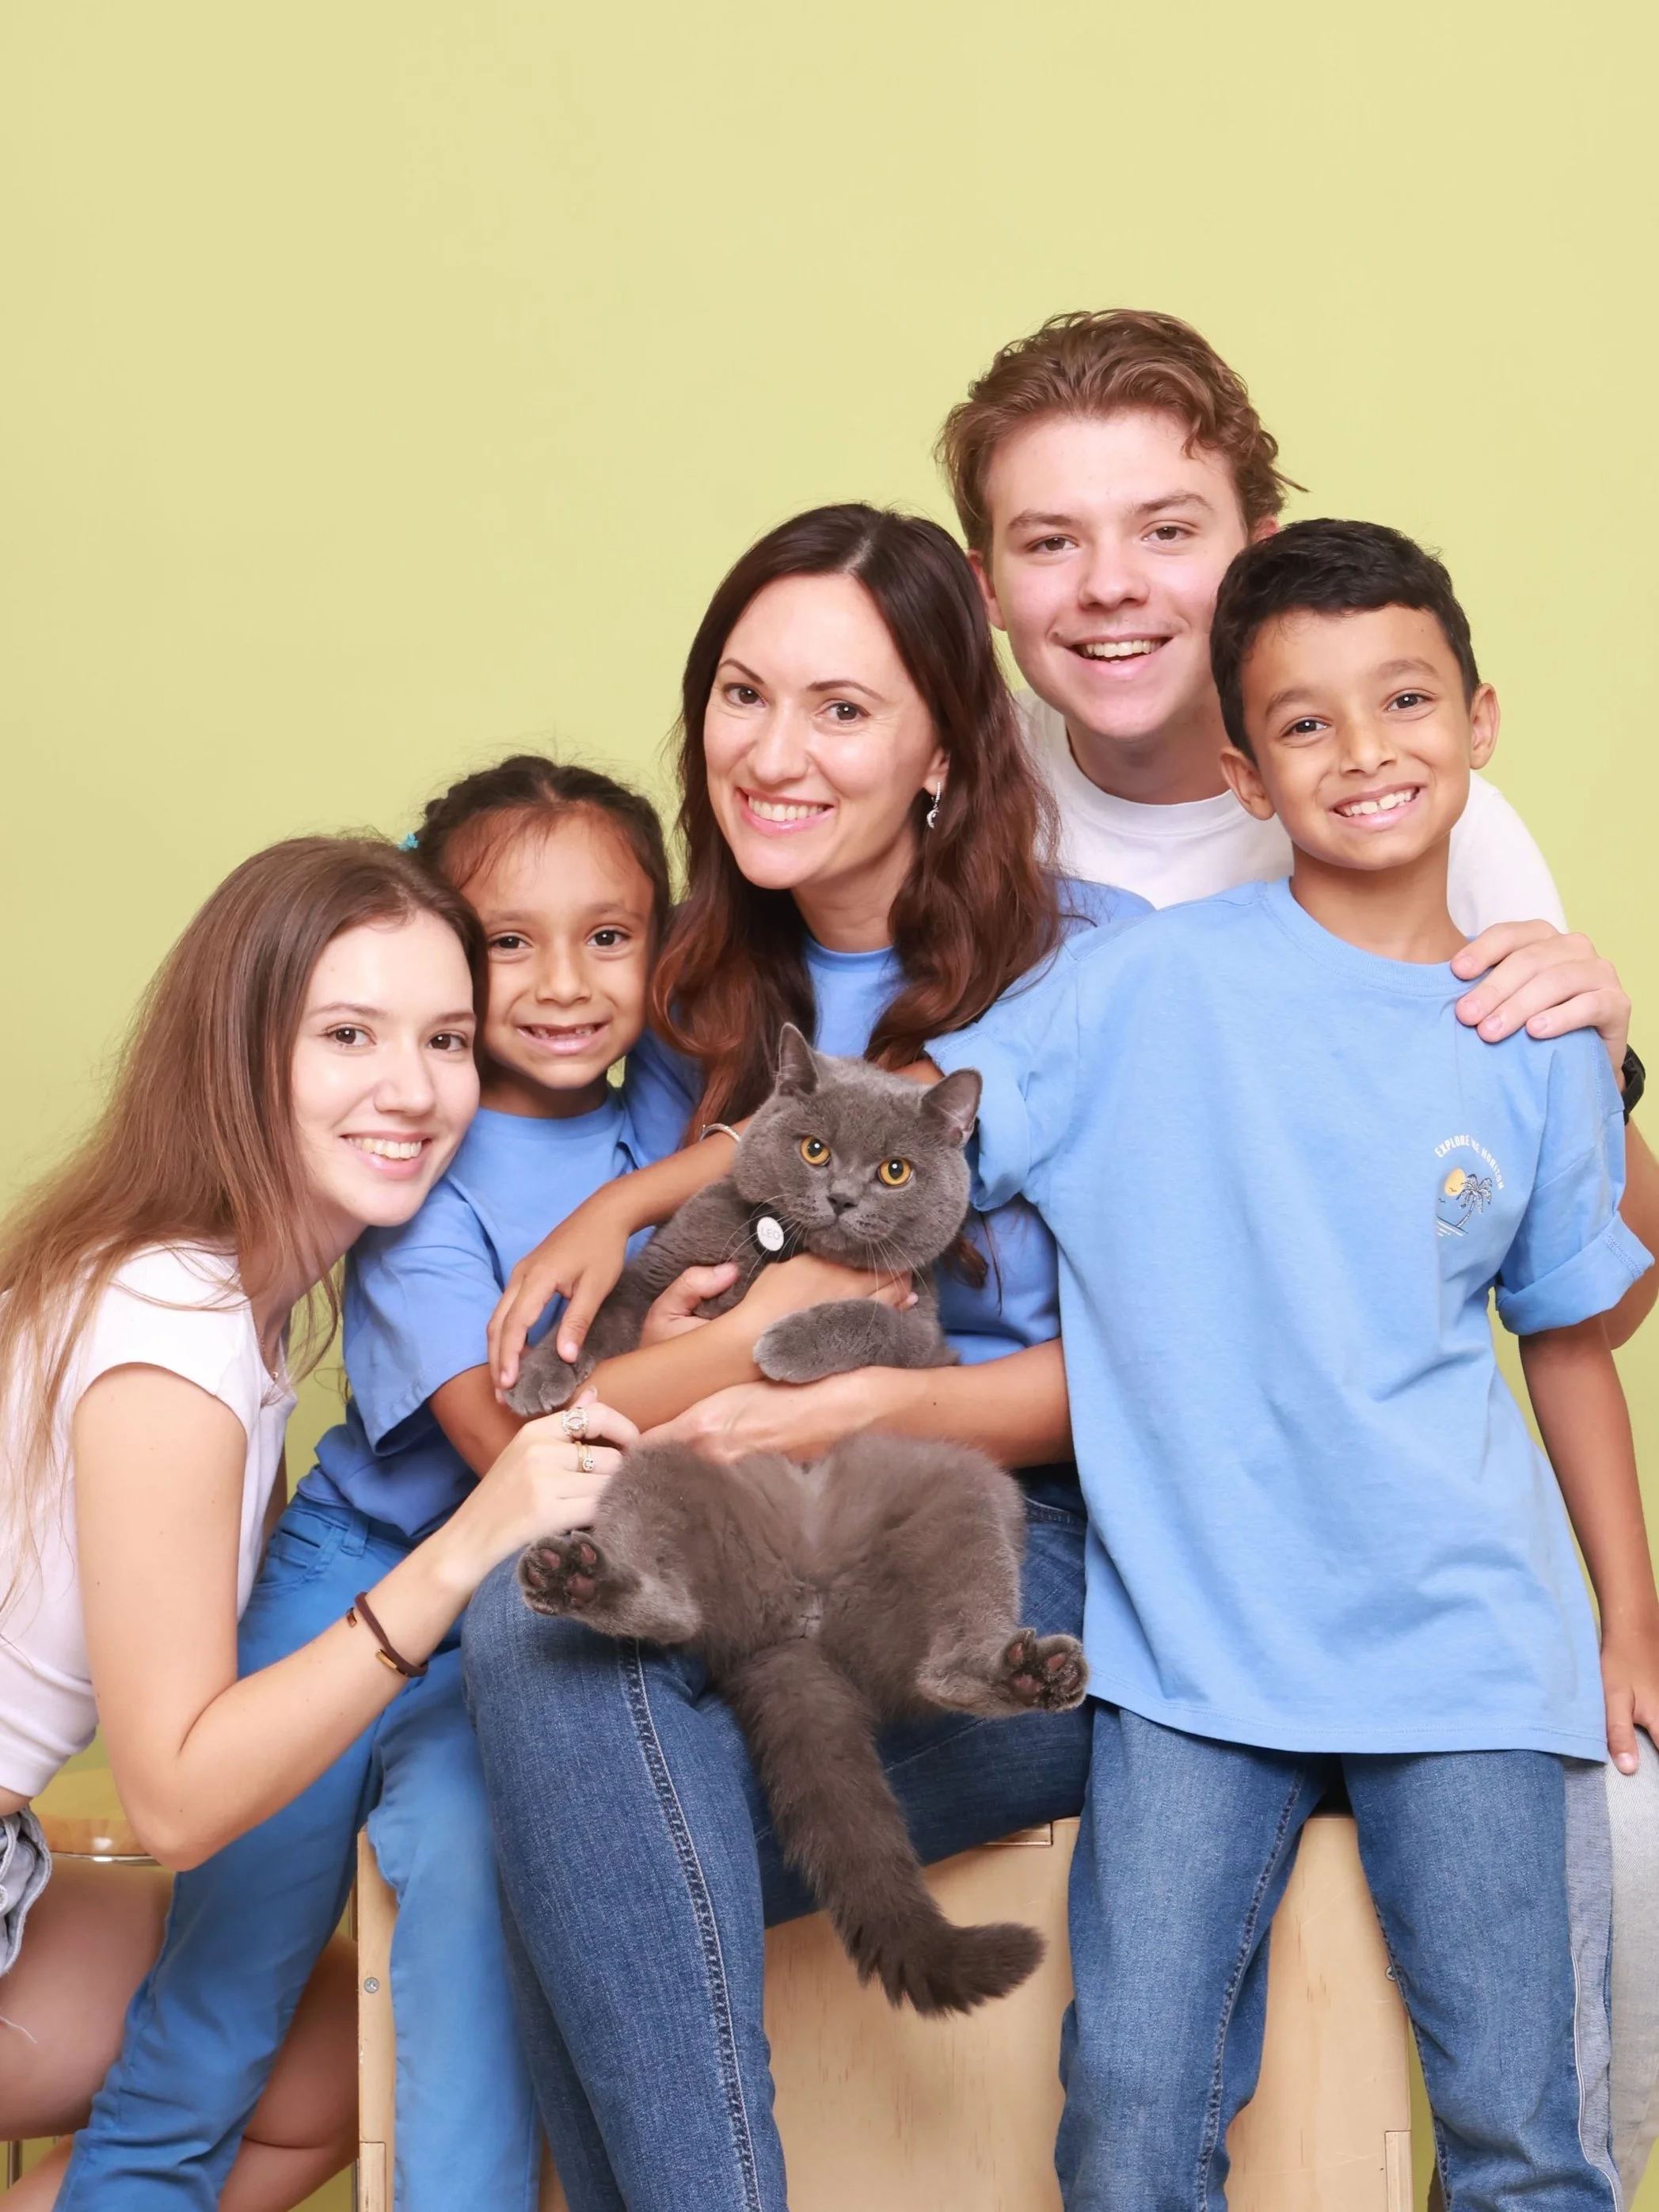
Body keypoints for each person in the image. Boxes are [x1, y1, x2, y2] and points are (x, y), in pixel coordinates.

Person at [924, 519, 1656, 2207]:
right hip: (1195, 1653)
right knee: (1125, 2117)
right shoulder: (1139, 991)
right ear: (1247, 777)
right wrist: (675, 1216)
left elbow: (1566, 1338)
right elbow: (909, 1137)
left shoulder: (1540, 1032)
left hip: (1469, 1646)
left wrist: (1627, 1610)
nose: (1366, 750)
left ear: (1480, 719)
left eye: (1404, 700)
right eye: (1306, 723)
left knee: (1523, 2141)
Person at [464, 501, 1147, 2212]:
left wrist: (872, 1389)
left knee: (557, 1819)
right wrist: (644, 1191)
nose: (774, 750)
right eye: (743, 694)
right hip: (778, 1536)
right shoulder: (695, 981)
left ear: (943, 746)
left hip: (1018, 1560)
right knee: (544, 1652)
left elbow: (1187, 1378)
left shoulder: (1104, 976)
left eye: (842, 708)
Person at [0, 835, 634, 2211]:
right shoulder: (171, 1324)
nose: (413, 1090)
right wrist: (467, 1542)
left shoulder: (220, 1298)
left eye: (447, 1038)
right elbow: (172, 1795)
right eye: (349, 1033)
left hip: (13, 1864)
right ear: (240, 1053)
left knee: (329, 2071)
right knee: (229, 2073)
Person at [936, 308, 1657, 1347]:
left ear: (1255, 558)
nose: (1108, 584)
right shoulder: (937, 788)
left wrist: (1601, 1073)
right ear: (984, 587)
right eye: (1050, 542)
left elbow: (1609, 1307)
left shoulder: (1415, 818)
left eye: (1167, 530)